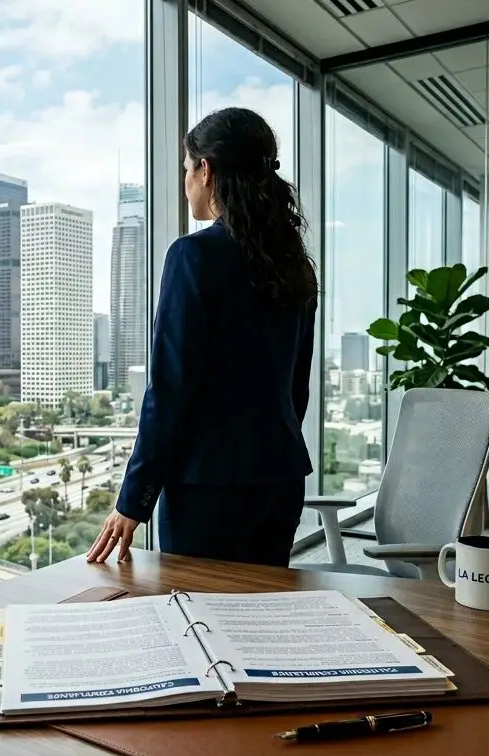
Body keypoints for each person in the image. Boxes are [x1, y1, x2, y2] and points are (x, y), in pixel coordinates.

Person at [86, 107, 318, 567]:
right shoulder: (296, 263)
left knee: (200, 627)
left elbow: (170, 390)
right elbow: (296, 386)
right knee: (261, 623)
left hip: (208, 491)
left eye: (186, 169)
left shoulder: (193, 255)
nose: (185, 181)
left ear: (206, 170)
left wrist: (134, 499)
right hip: (280, 480)